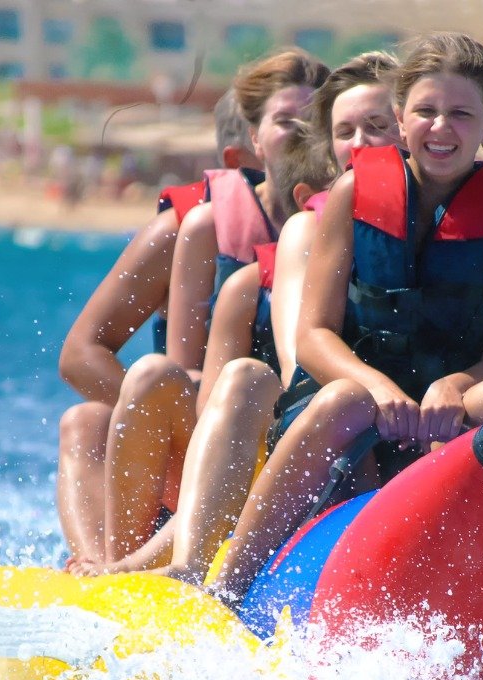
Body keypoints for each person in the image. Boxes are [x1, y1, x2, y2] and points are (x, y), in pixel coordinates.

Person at [208, 32, 483, 601]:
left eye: (461, 113)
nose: (441, 128)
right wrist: (375, 385)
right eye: (425, 111)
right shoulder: (352, 193)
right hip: (348, 411)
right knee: (344, 398)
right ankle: (229, 586)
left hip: (447, 417)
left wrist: (454, 383)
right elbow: (313, 333)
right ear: (400, 119)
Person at [73, 52, 397, 579]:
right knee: (96, 414)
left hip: (327, 433)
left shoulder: (413, 226)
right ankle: (115, 571)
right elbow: (119, 360)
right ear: (248, 139)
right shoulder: (214, 238)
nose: (302, 136)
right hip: (243, 422)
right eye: (288, 123)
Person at [56, 90, 261, 566]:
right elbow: (80, 354)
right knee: (86, 420)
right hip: (193, 419)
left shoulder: (327, 223)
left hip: (256, 430)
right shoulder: (184, 230)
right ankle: (96, 569)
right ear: (246, 149)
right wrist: (149, 418)